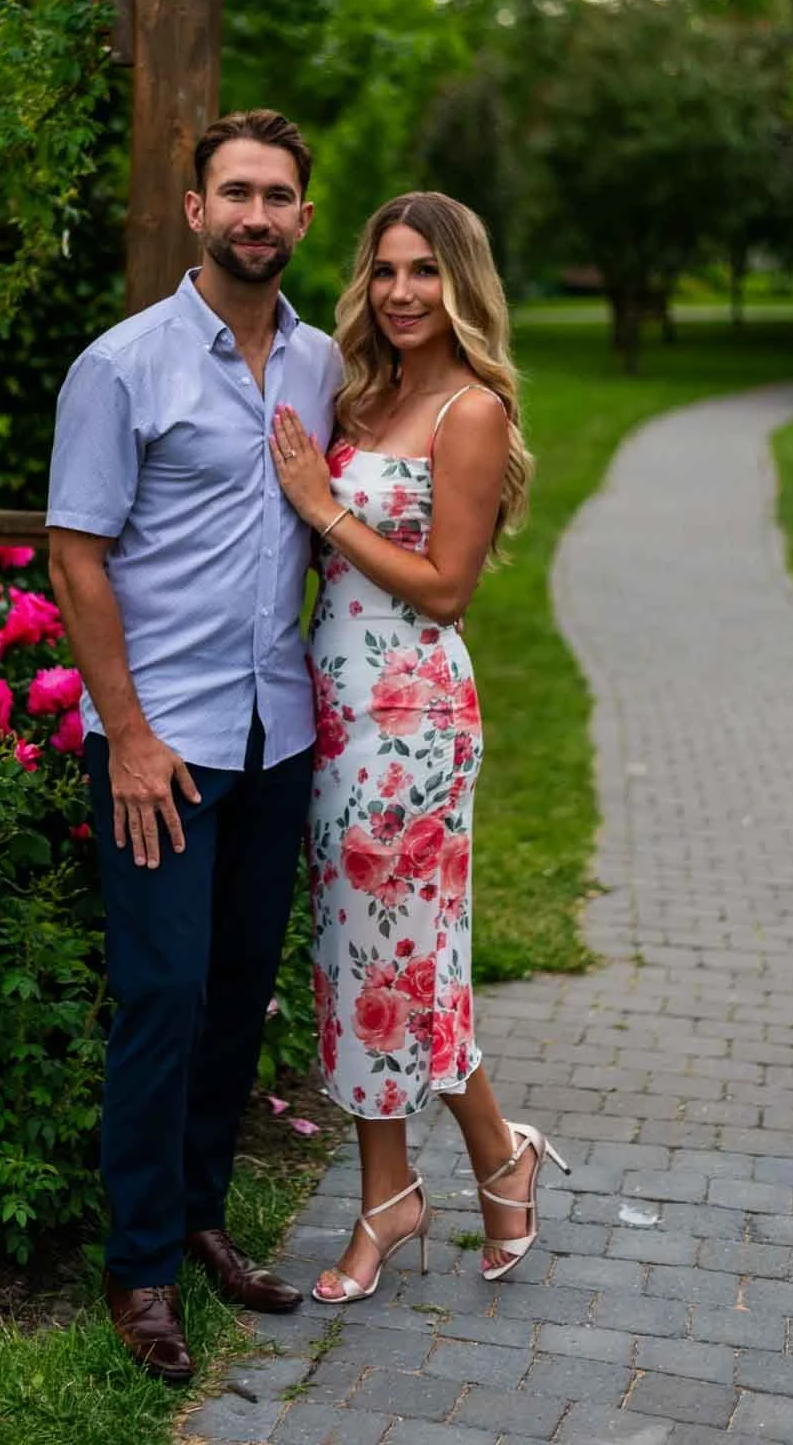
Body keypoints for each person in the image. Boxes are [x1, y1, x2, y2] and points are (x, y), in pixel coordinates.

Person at [46, 109, 341, 1382]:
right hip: (161, 746)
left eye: (277, 196)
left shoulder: (323, 364)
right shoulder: (122, 365)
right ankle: (141, 1266)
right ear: (192, 209)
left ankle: (205, 1220)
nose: (256, 216)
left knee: (230, 998)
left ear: (302, 218)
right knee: (161, 999)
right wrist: (124, 735)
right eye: (235, 193)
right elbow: (75, 552)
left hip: (275, 736)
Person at [269, 190, 567, 1303]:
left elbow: (444, 590)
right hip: (336, 709)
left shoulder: (468, 410)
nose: (399, 293)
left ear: (460, 284)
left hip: (414, 720)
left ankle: (476, 1163)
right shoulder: (367, 393)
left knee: (404, 960)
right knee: (360, 962)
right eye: (385, 271)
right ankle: (418, 1187)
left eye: (423, 273)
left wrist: (322, 506)